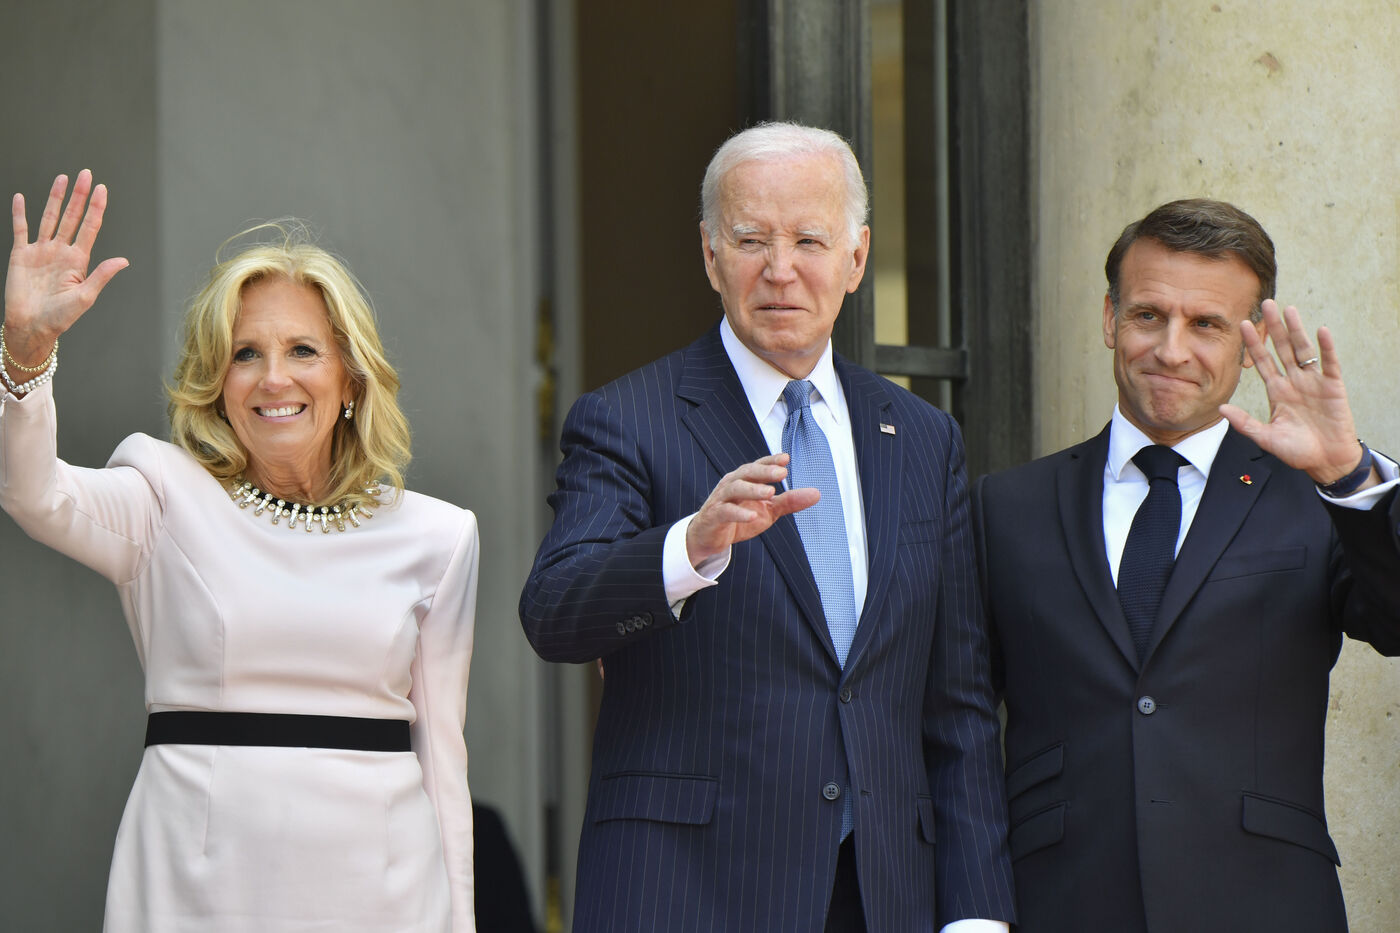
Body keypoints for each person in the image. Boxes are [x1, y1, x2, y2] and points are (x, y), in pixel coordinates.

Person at [519, 123, 1014, 933]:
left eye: (809, 240)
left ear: (856, 258)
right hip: (690, 892)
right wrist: (690, 546)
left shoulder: (924, 439)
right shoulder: (627, 418)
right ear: (710, 254)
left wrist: (977, 915)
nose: (780, 269)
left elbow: (956, 702)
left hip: (881, 893)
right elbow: (555, 610)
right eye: (752, 240)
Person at [1, 171, 478, 932]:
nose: (273, 378)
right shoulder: (162, 494)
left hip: (384, 896)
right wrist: (26, 354)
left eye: (303, 350)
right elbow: (33, 494)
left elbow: (443, 762)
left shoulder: (438, 536)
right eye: (245, 353)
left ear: (350, 378)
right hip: (196, 892)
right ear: (217, 382)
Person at [973, 198, 1400, 932]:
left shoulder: (1319, 498)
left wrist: (1349, 475)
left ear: (1252, 342)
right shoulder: (1005, 505)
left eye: (1206, 324)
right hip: (1058, 902)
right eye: (1148, 315)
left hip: (1265, 906)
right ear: (1110, 319)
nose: (1172, 350)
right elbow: (960, 726)